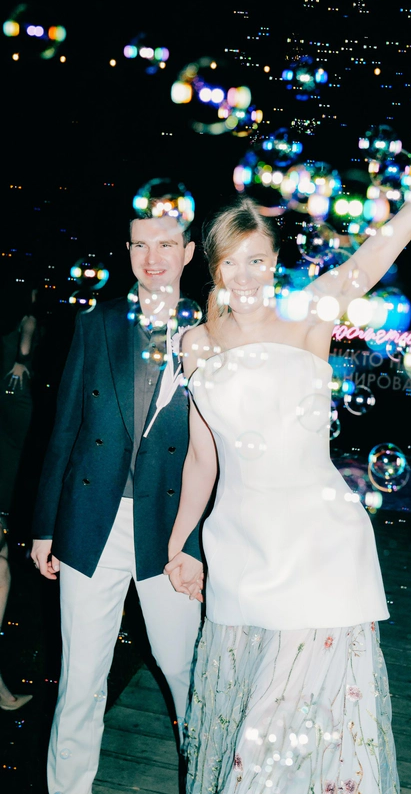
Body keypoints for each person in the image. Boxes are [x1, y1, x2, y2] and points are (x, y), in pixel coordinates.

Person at [165, 87, 411, 794]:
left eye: (258, 260)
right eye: (231, 261)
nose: (245, 275)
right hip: (239, 553)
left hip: (318, 550)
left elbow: (403, 225)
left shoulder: (311, 313)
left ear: (276, 261)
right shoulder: (194, 344)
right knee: (250, 725)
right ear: (213, 265)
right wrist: (181, 543)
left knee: (274, 744)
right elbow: (204, 457)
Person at [31, 213, 205, 794]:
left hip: (172, 529)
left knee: (184, 670)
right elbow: (65, 429)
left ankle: (203, 780)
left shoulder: (213, 331)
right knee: (80, 678)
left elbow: (222, 455)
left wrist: (197, 543)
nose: (152, 257)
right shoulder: (95, 323)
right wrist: (45, 526)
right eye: (139, 244)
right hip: (90, 521)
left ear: (188, 252)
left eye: (166, 244)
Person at [0, 282, 38, 711]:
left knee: (3, 565)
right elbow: (25, 346)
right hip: (12, 399)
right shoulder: (25, 319)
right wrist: (21, 363)